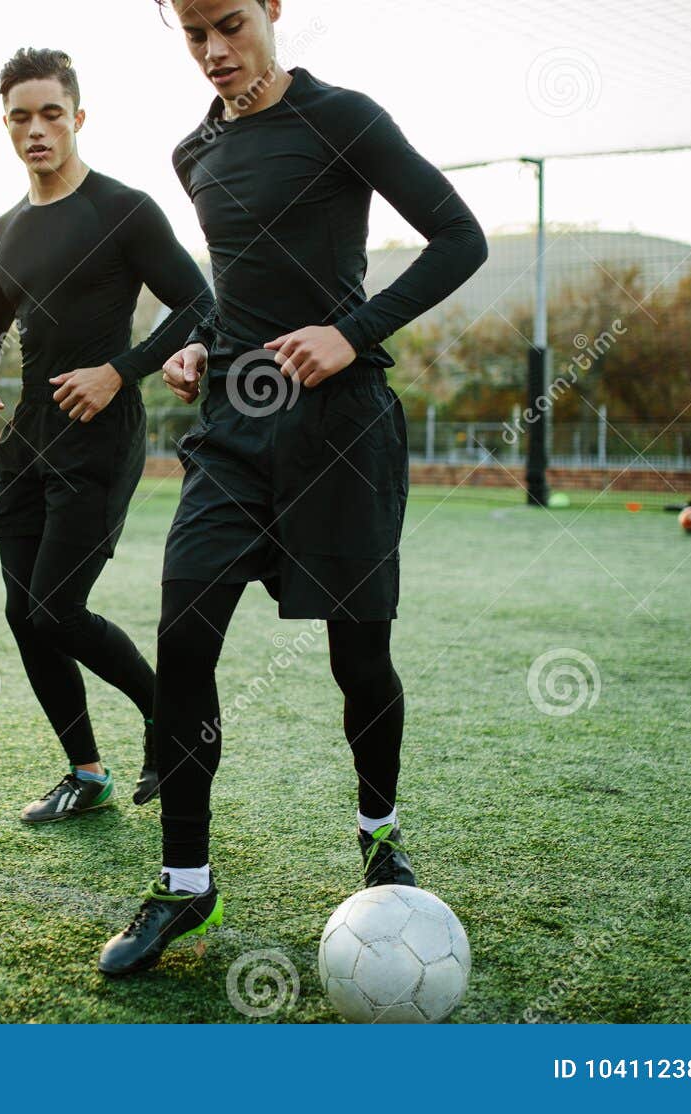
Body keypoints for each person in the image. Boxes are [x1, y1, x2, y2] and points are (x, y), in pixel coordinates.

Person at [99, 0, 489, 975]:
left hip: (344, 429)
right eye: (193, 34)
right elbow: (239, 283)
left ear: (273, 9)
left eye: (229, 23)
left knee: (358, 660)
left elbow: (458, 238)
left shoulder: (344, 118)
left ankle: (380, 832)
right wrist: (198, 343)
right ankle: (183, 882)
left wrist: (349, 331)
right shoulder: (193, 153)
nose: (214, 51)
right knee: (183, 633)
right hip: (233, 427)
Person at [0, 48, 213, 822]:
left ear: (77, 118)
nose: (36, 130)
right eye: (21, 117)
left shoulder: (124, 210)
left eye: (51, 114)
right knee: (20, 609)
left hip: (101, 433)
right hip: (27, 436)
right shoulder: (1, 232)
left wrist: (121, 371)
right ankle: (86, 772)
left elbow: (200, 304)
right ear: (6, 125)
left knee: (55, 607)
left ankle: (173, 719)